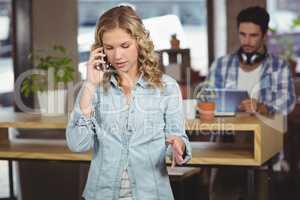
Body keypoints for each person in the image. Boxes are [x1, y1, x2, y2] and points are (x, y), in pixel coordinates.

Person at [66, 5, 191, 200]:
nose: (117, 56)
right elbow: (78, 144)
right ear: (100, 50)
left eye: (125, 46)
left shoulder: (167, 87)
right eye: (109, 48)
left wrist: (178, 146)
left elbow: (177, 138)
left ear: (140, 43)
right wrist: (90, 84)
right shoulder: (94, 88)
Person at [204, 6, 296, 200]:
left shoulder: (279, 67)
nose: (247, 41)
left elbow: (287, 101)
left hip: (263, 145)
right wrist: (209, 101)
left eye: (253, 35)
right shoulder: (221, 64)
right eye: (243, 34)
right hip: (226, 142)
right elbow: (206, 95)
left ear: (264, 35)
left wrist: (261, 106)